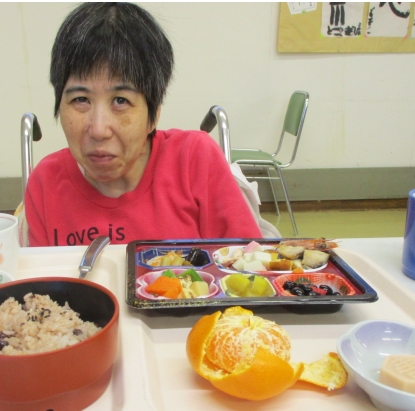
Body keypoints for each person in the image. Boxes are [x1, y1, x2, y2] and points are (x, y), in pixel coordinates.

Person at [25, 2, 262, 247]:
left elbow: (251, 262)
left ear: (153, 114)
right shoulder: (46, 184)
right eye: (81, 99)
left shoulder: (194, 160)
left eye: (121, 100)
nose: (98, 129)